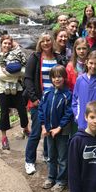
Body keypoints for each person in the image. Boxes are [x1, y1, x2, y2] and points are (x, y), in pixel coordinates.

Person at [23, 33, 62, 175]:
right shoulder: (35, 57)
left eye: (48, 40)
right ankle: (29, 161)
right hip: (39, 100)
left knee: (50, 129)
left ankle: (47, 155)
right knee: (36, 131)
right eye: (43, 41)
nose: (46, 43)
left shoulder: (58, 58)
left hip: (54, 100)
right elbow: (27, 79)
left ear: (52, 42)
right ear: (40, 43)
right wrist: (33, 98)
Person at [38, 65, 73, 192]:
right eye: (54, 77)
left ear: (64, 78)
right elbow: (41, 109)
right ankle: (51, 177)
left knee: (62, 157)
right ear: (51, 79)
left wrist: (59, 127)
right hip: (48, 130)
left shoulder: (67, 95)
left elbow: (68, 113)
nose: (56, 79)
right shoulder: (47, 93)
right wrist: (43, 126)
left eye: (59, 77)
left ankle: (61, 180)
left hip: (62, 131)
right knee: (51, 156)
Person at [0, 35, 29, 150]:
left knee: (22, 110)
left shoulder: (17, 55)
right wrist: (15, 75)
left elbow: (24, 71)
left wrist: (8, 73)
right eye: (5, 43)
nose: (7, 45)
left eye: (9, 43)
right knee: (4, 112)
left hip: (17, 88)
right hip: (2, 89)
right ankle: (4, 137)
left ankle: (25, 128)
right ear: (1, 44)